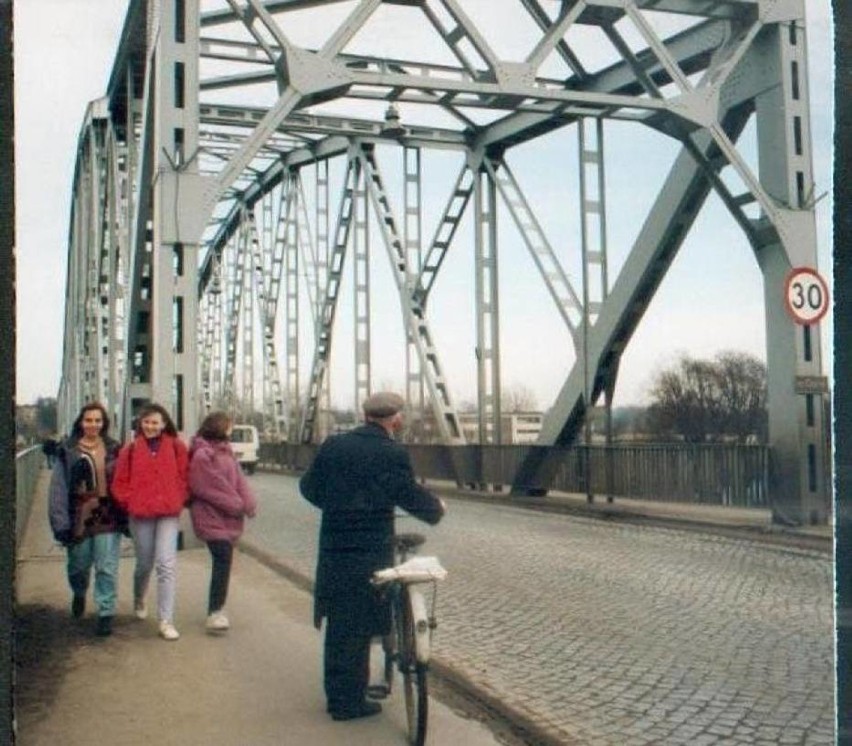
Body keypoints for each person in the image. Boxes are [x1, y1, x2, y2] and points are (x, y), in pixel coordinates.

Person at [299, 391, 446, 722]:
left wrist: (337, 507)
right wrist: (435, 509)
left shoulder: (334, 446)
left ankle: (339, 697)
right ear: (395, 419)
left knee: (340, 622)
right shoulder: (391, 452)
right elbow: (404, 492)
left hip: (336, 547)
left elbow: (308, 487)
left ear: (365, 416)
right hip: (371, 547)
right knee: (363, 619)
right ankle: (351, 705)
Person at [47, 402, 126, 637]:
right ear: (81, 422)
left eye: (98, 421)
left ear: (104, 423)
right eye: (89, 420)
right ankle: (79, 592)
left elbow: (125, 480)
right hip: (79, 513)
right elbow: (58, 488)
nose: (93, 425)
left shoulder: (114, 449)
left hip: (107, 512)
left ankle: (105, 612)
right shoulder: (68, 450)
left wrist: (129, 514)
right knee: (79, 565)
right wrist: (60, 523)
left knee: (106, 566)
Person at [111, 402, 189, 641]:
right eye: (146, 422)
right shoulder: (130, 450)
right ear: (140, 423)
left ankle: (166, 620)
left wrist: (179, 497)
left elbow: (185, 476)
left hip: (168, 513)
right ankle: (139, 597)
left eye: (155, 422)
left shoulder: (176, 447)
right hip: (141, 513)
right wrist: (130, 501)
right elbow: (119, 482)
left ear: (164, 424)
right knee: (144, 563)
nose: (150, 426)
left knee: (166, 564)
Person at [187, 411, 257, 633]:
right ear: (220, 427)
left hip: (226, 517)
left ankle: (217, 610)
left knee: (224, 561)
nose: (231, 429)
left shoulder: (227, 452)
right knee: (223, 558)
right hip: (208, 515)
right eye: (229, 426)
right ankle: (215, 612)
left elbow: (239, 481)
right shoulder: (202, 455)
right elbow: (208, 486)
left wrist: (249, 502)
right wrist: (238, 504)